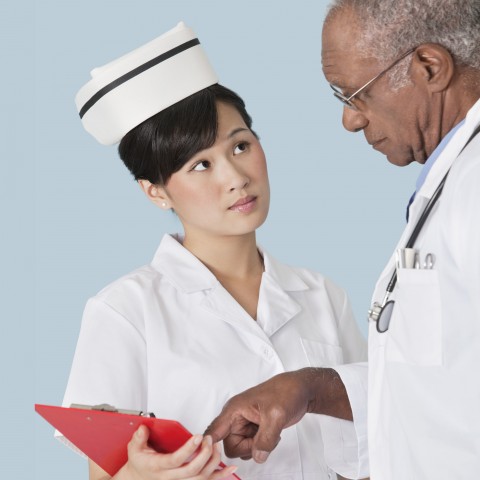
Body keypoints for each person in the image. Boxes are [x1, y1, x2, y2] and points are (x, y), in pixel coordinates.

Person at [60, 22, 367, 480]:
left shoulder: (324, 295)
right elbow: (104, 474)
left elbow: (369, 439)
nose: (235, 177)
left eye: (240, 145)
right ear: (155, 192)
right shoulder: (124, 310)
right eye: (200, 164)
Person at [206, 1, 480, 479]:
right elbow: (444, 380)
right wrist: (313, 389)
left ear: (430, 67)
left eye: (355, 95)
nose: (351, 121)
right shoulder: (452, 185)